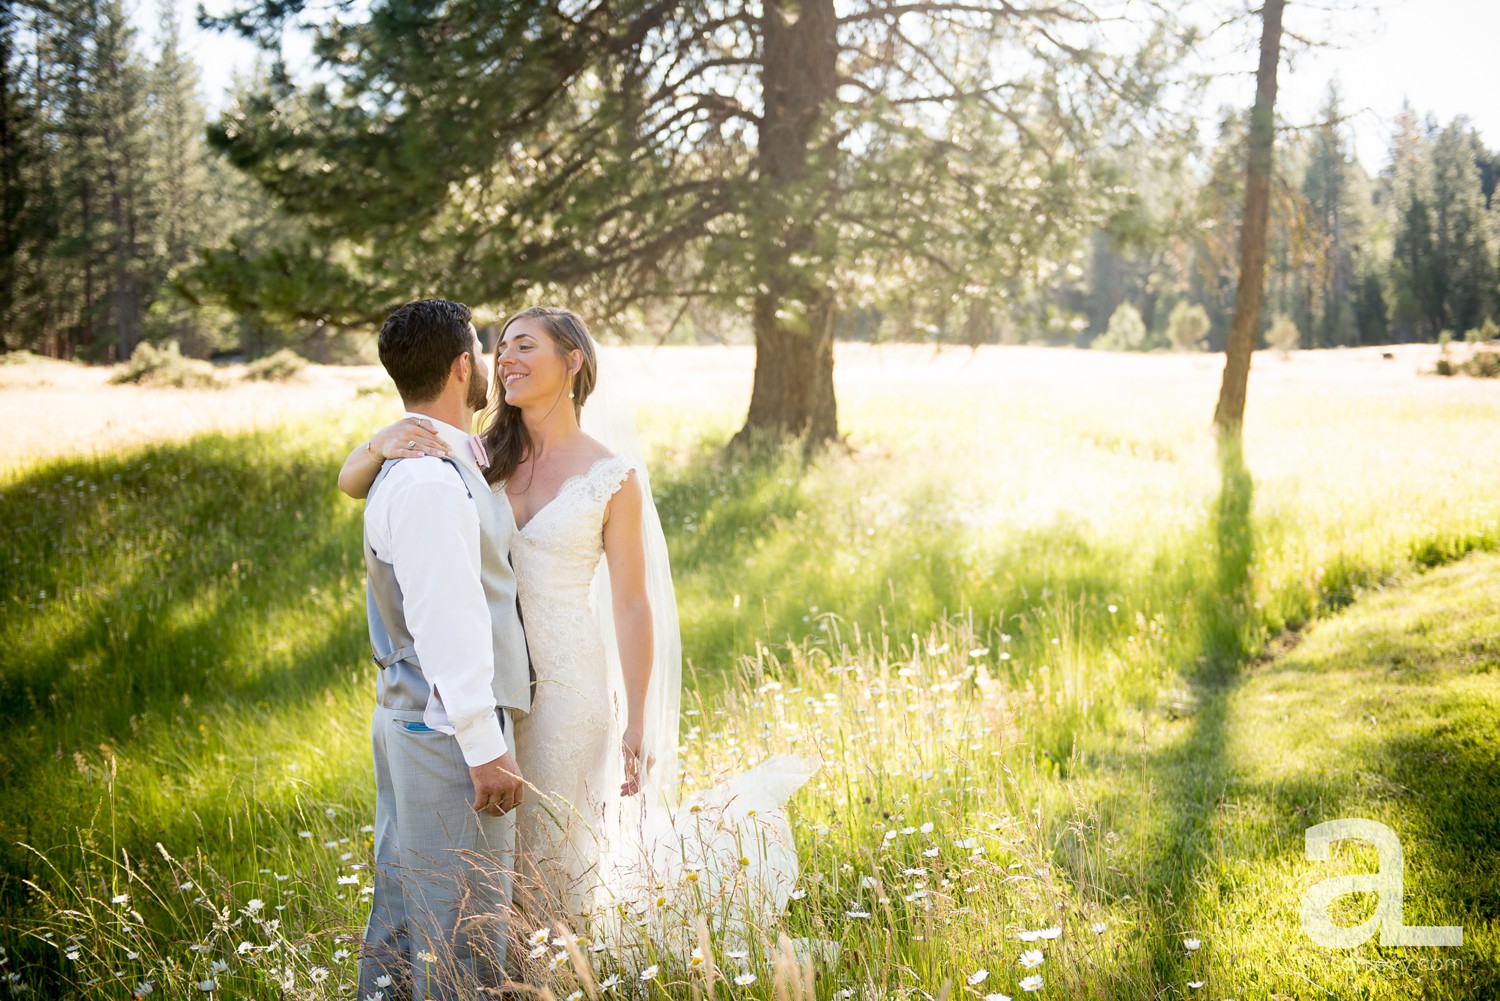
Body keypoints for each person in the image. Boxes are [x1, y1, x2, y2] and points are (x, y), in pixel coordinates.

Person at [341, 306, 818, 978]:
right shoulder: (477, 452)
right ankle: (493, 983)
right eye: (498, 346)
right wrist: (378, 442)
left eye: (524, 345)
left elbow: (630, 602)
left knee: (551, 865)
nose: (504, 358)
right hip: (494, 690)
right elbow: (367, 485)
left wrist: (638, 719)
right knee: (488, 869)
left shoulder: (611, 474)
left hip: (569, 689)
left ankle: (557, 982)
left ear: (574, 361)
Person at [353, 298, 533, 1000]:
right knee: (463, 930)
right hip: (444, 732)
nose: (490, 363)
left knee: (404, 916)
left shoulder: (425, 457)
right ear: (465, 366)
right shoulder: (428, 480)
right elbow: (448, 625)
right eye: (484, 352)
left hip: (422, 720)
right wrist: (484, 746)